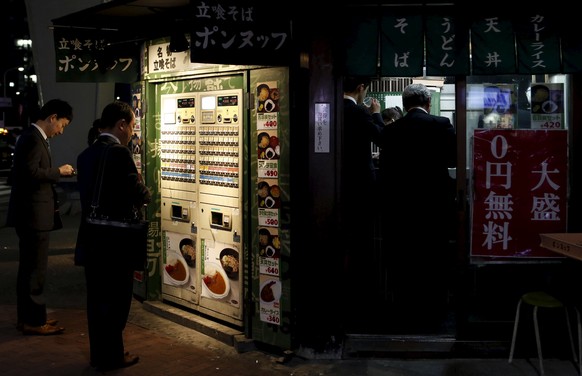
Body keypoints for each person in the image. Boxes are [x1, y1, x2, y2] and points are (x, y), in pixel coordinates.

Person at [75, 101, 151, 372]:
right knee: (117, 301)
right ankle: (113, 357)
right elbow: (139, 195)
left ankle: (100, 355)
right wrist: (144, 188)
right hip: (116, 243)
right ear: (121, 125)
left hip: (91, 239)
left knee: (96, 302)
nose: (132, 132)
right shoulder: (119, 154)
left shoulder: (85, 155)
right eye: (131, 126)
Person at [378, 83, 457, 332]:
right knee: (433, 258)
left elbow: (386, 172)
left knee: (404, 259)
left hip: (400, 208)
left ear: (404, 104)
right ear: (428, 103)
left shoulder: (391, 131)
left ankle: (404, 311)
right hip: (434, 205)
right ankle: (433, 312)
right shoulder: (442, 125)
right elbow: (454, 159)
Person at [6, 99, 75, 335]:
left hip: (32, 214)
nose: (61, 131)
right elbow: (30, 172)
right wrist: (59, 172)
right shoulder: (33, 138)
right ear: (52, 117)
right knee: (35, 271)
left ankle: (29, 317)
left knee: (30, 270)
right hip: (33, 215)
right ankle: (34, 322)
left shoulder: (31, 137)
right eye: (62, 125)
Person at [340, 76, 385, 331]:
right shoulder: (358, 112)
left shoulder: (331, 109)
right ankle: (360, 299)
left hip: (334, 189)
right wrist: (376, 114)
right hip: (360, 188)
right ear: (360, 89)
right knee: (360, 243)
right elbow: (382, 138)